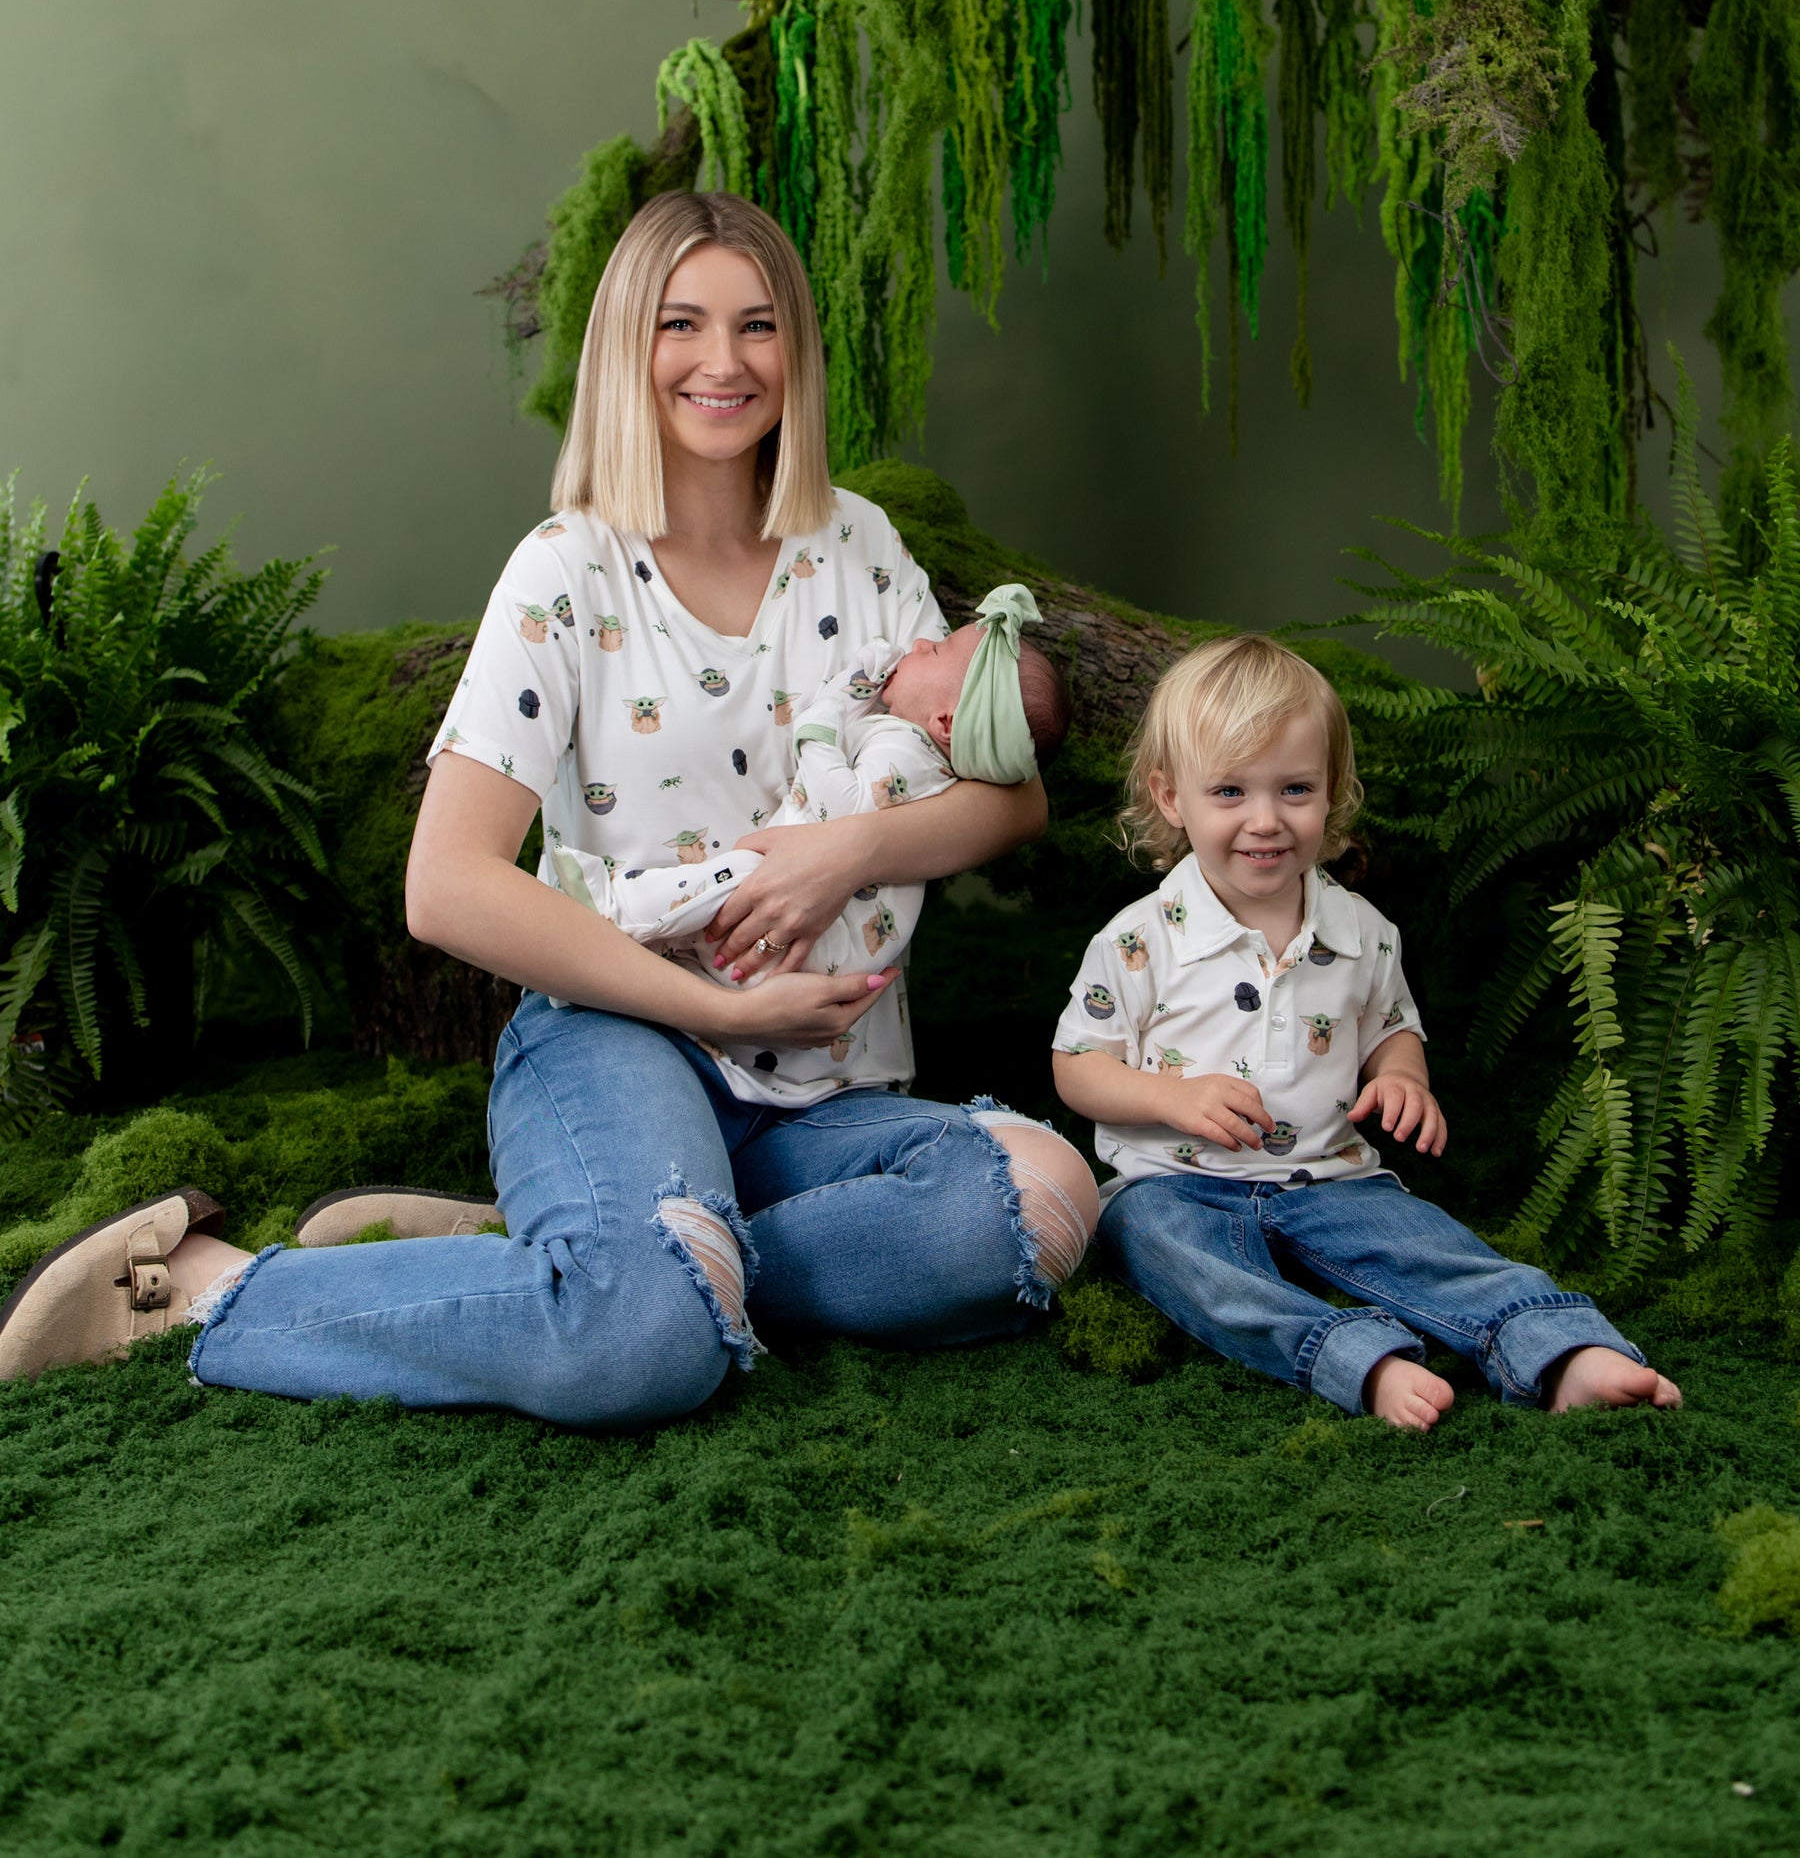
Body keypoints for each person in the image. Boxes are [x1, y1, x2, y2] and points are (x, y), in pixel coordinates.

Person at [0, 193, 1098, 1417]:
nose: (724, 363)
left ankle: (606, 1248)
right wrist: (703, 1002)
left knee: (1044, 1196)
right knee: (645, 1343)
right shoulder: (566, 570)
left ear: (798, 348)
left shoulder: (858, 546)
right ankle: (207, 1285)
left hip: (821, 1091)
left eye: (758, 325)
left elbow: (1015, 802)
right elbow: (446, 885)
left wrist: (843, 852)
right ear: (628, 348)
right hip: (614, 1038)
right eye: (682, 324)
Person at [1051, 634, 1680, 1431]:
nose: (1266, 821)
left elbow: (1391, 1028)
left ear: (1334, 793)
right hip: (1173, 1187)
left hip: (1331, 1177)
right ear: (1172, 798)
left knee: (1429, 1244)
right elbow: (1077, 1066)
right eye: (1231, 792)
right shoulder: (1142, 938)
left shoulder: (1362, 931)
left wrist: (1403, 1079)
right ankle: (1353, 1354)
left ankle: (1556, 1346)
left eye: (1296, 789)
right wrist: (1171, 1098)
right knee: (1166, 1254)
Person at [546, 586, 1070, 1105]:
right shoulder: (919, 753)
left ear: (947, 723)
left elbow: (842, 805)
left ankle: (616, 907)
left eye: (932, 651)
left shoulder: (906, 755)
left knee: (740, 874)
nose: (914, 647)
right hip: (808, 951)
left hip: (812, 933)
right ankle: (633, 942)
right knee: (735, 893)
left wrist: (818, 732)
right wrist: (859, 683)